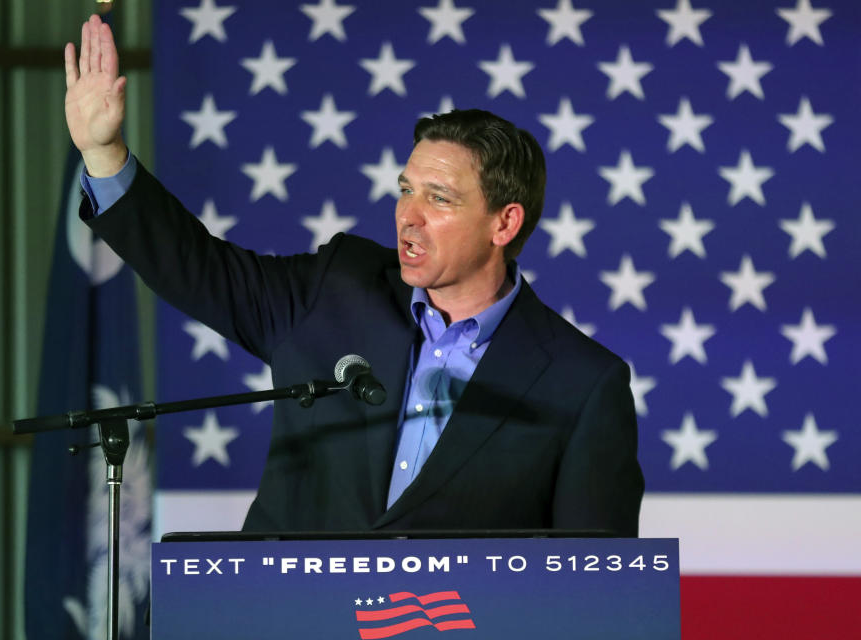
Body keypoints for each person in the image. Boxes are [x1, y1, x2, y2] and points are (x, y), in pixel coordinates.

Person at [65, 15, 644, 536]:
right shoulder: (335, 289)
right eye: (405, 190)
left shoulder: (581, 384)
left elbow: (592, 584)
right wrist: (104, 154)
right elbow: (199, 270)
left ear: (504, 222)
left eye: (438, 198)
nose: (407, 216)